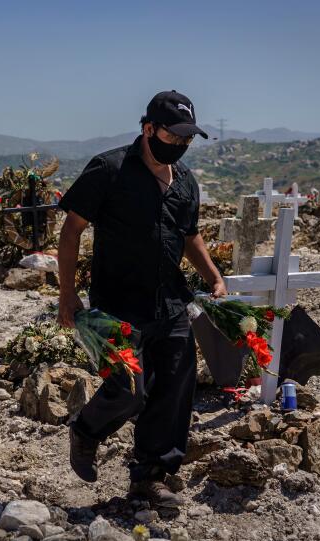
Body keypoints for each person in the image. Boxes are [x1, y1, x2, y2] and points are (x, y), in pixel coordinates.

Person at [57, 91, 227, 508]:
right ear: (148, 128)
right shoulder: (109, 169)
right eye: (173, 136)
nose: (181, 145)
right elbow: (71, 230)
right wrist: (67, 294)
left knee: (173, 390)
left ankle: (149, 476)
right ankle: (86, 430)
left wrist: (213, 276)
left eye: (188, 139)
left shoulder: (185, 180)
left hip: (170, 303)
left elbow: (189, 235)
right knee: (129, 391)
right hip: (118, 305)